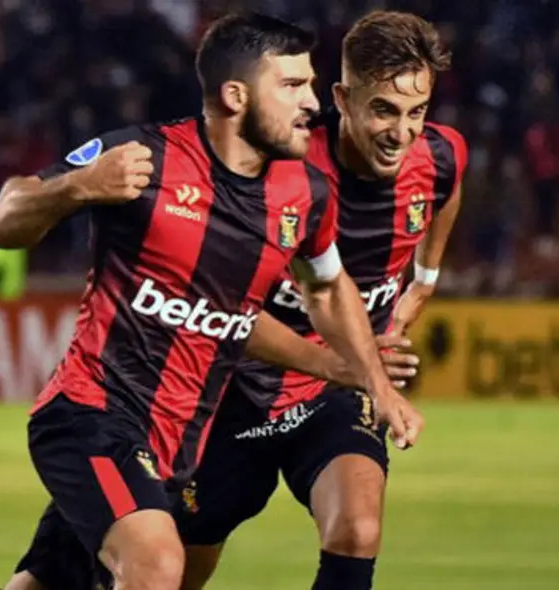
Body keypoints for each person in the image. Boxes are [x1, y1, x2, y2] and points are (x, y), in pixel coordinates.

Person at [0, 12, 422, 590]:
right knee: (157, 565)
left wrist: (372, 381)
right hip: (91, 416)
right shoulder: (146, 159)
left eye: (310, 85)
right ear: (237, 97)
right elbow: (4, 219)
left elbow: (327, 286)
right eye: (292, 86)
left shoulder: (305, 192)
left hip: (174, 450)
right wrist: (77, 187)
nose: (313, 104)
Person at [174, 11, 465, 590]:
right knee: (177, 567)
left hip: (337, 395)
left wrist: (421, 286)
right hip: (237, 391)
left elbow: (445, 198)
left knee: (357, 530)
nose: (401, 133)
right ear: (341, 96)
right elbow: (229, 313)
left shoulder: (441, 158)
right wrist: (357, 363)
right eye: (383, 109)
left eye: (417, 112)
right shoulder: (280, 169)